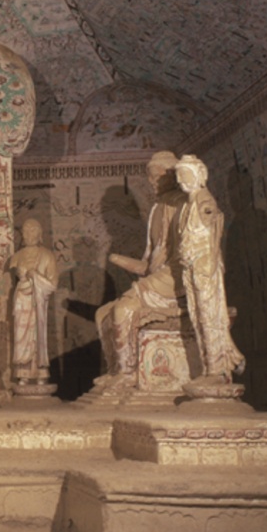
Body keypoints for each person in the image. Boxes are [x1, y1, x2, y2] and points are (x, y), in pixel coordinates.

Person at [94, 150, 186, 386]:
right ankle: (115, 370)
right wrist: (118, 259)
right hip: (159, 278)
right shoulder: (156, 210)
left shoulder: (184, 204)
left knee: (123, 309)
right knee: (103, 313)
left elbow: (184, 256)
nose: (152, 182)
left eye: (157, 177)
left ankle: (128, 374)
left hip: (176, 277)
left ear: (173, 175)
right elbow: (148, 265)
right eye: (150, 177)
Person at [174, 154, 245, 383]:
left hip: (204, 264)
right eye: (179, 176)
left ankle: (216, 368)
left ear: (198, 175)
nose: (180, 180)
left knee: (209, 316)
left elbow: (212, 231)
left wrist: (209, 261)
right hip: (191, 265)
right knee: (197, 316)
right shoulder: (188, 204)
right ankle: (208, 367)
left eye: (185, 174)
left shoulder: (204, 200)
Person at [10, 219, 59, 385]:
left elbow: (52, 285)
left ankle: (40, 372)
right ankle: (23, 372)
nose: (29, 234)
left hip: (38, 301)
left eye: (33, 231)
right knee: (21, 335)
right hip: (21, 300)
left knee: (37, 335)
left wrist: (36, 276)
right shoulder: (17, 256)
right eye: (26, 231)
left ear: (39, 234)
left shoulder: (47, 256)